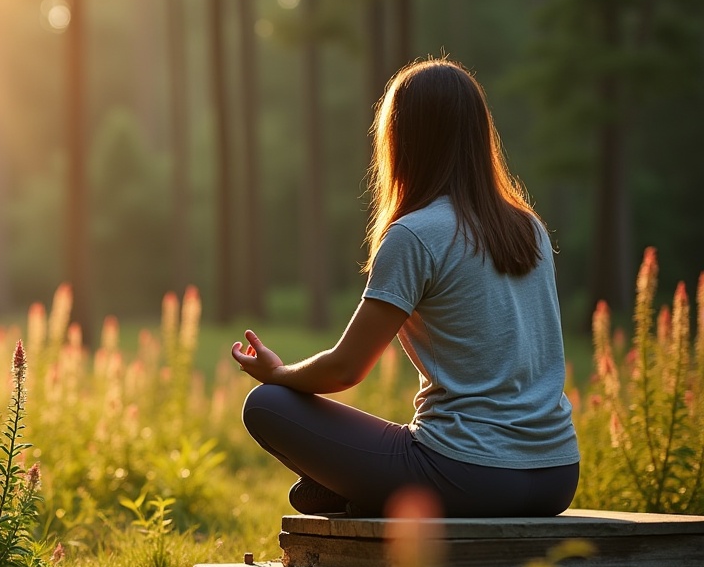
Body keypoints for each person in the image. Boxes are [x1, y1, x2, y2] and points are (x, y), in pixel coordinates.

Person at [230, 59, 578, 518]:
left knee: (266, 405)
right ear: (478, 135)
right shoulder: (528, 227)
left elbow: (346, 369)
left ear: (401, 140)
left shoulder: (416, 233)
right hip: (556, 476)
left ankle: (353, 488)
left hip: (466, 475)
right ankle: (353, 488)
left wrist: (278, 375)